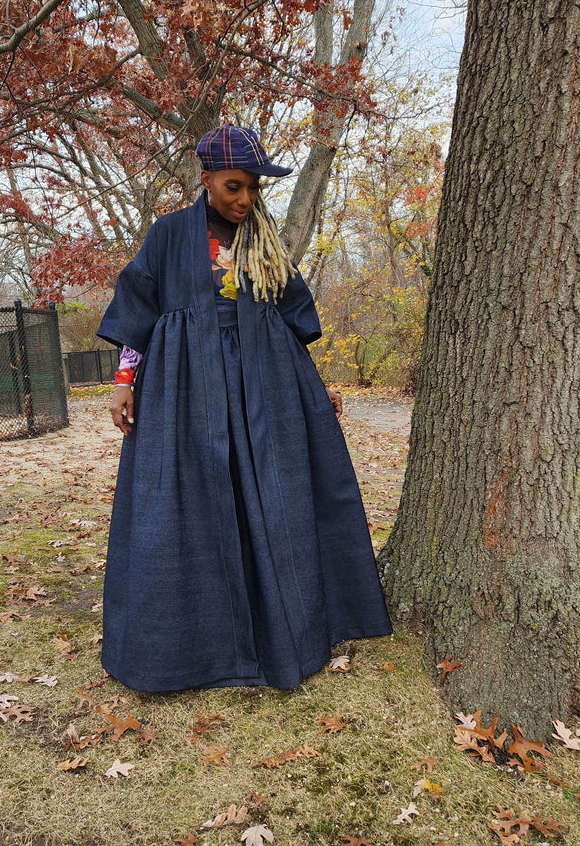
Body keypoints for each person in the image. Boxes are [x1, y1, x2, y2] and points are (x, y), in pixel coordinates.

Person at [96, 123, 391, 692]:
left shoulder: (264, 238)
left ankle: (285, 630)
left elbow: (290, 315)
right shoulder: (169, 235)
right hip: (185, 390)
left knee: (276, 496)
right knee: (187, 503)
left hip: (267, 381)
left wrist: (315, 383)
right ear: (205, 178)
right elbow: (140, 310)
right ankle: (194, 644)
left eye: (253, 188)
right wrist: (124, 379)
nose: (244, 199)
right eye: (234, 186)